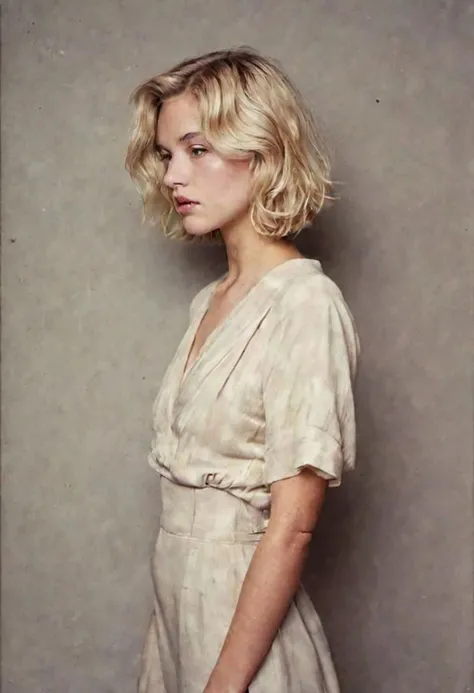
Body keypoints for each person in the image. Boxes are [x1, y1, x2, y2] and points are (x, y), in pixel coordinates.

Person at [125, 46, 360, 693]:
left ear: (263, 151)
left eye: (198, 150)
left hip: (241, 647)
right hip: (176, 623)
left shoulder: (306, 303)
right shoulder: (210, 300)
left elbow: (292, 524)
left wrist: (223, 685)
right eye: (168, 153)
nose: (175, 174)